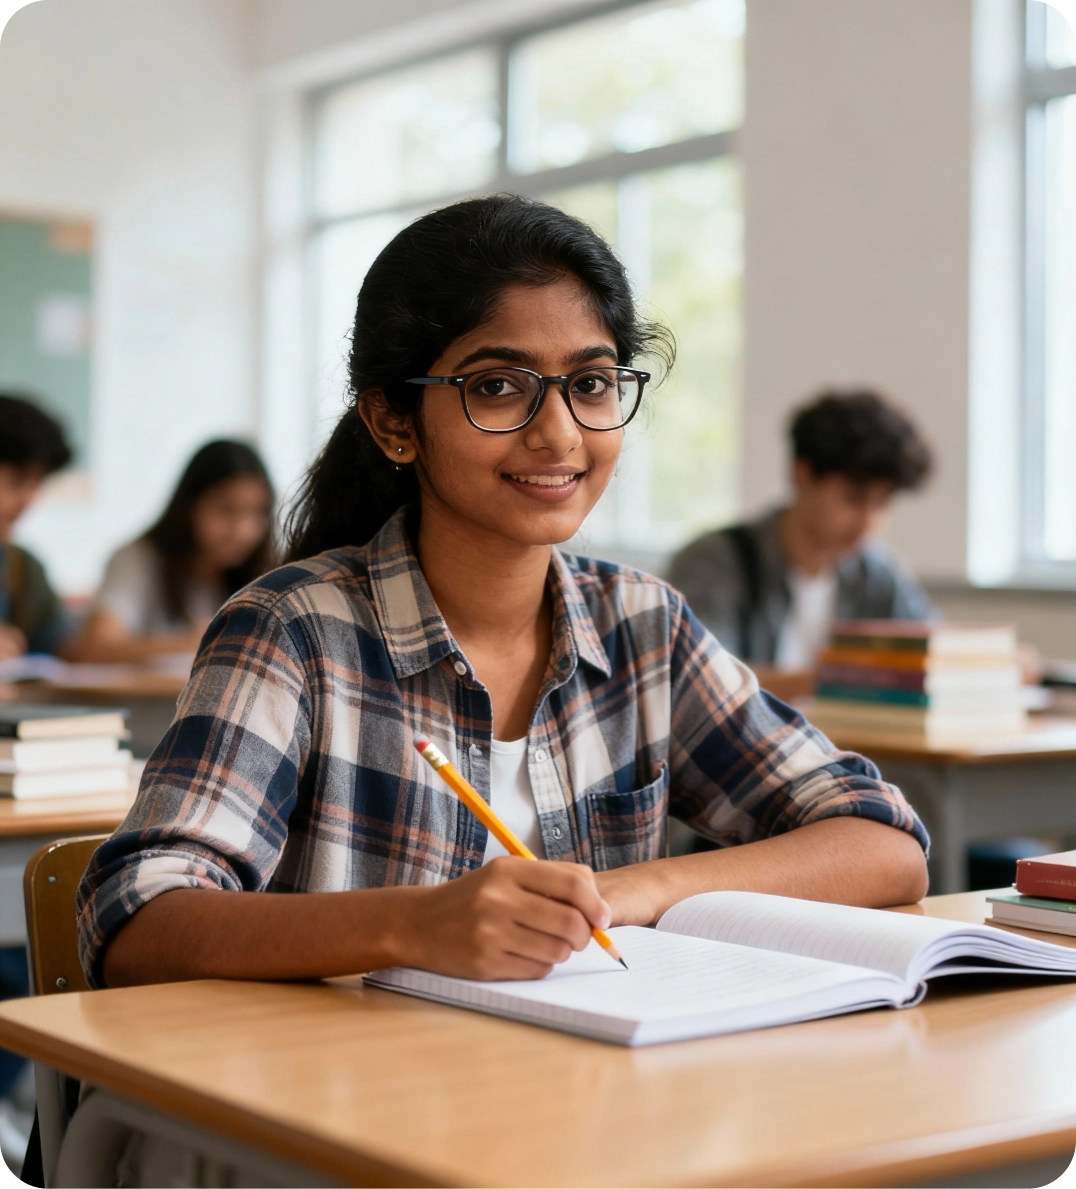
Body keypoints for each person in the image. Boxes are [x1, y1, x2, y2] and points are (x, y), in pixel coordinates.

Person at [77, 196, 928, 994]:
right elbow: (138, 922)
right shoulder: (296, 631)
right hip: (334, 1110)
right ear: (393, 423)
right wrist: (414, 925)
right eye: (497, 386)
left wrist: (637, 888)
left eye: (592, 384)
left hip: (579, 1096)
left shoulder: (642, 627)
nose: (558, 433)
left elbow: (885, 844)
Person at [668, 390, 935, 688]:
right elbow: (698, 681)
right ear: (803, 476)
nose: (869, 523)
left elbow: (936, 660)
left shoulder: (876, 573)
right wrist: (839, 682)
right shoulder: (718, 561)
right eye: (853, 499)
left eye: (882, 504)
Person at [67, 440, 275, 665]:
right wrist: (199, 641)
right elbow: (94, 648)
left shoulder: (269, 571)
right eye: (226, 510)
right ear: (190, 506)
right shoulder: (138, 559)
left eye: (257, 513)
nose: (243, 530)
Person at [0, 392, 73, 660]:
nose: (26, 502)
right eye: (16, 481)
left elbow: (67, 650)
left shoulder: (21, 568)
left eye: (37, 484)